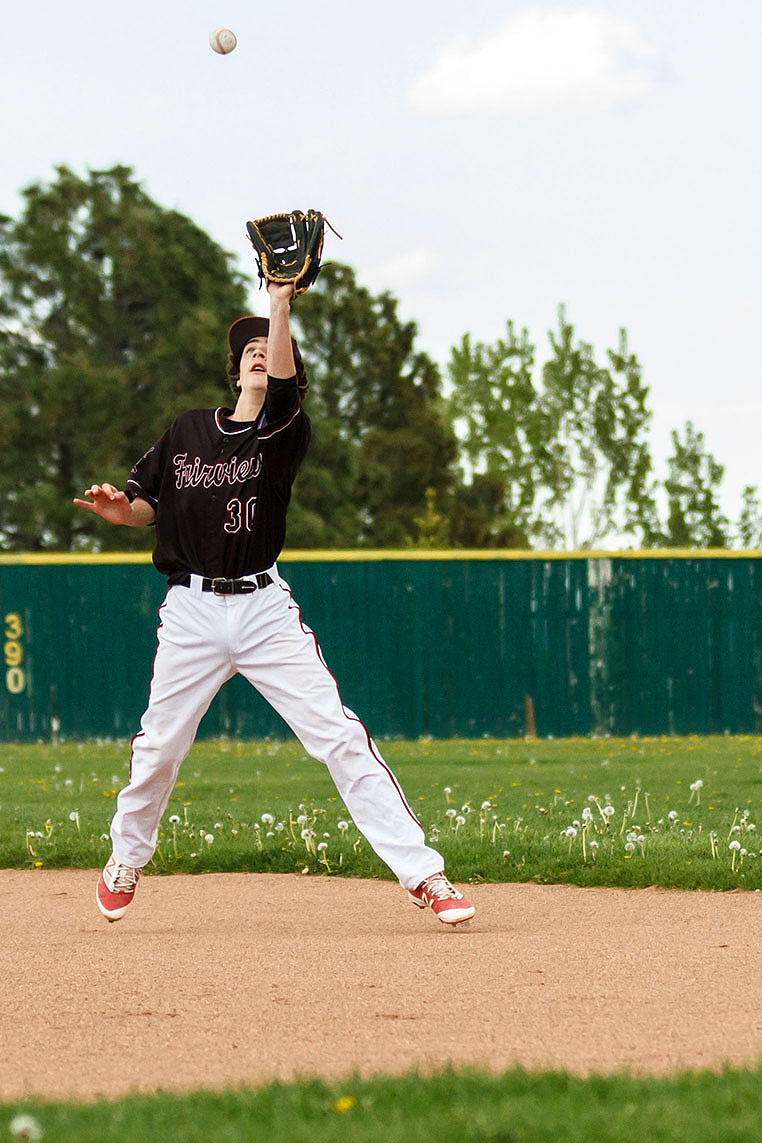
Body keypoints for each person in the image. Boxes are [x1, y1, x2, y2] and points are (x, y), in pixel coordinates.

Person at [74, 280, 475, 926]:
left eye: (269, 346)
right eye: (249, 349)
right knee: (159, 747)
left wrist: (280, 303)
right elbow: (149, 503)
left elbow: (284, 393)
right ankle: (126, 857)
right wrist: (125, 514)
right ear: (233, 369)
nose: (258, 353)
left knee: (341, 737)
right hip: (193, 610)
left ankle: (425, 875)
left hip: (263, 608)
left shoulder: (282, 437)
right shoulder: (185, 433)